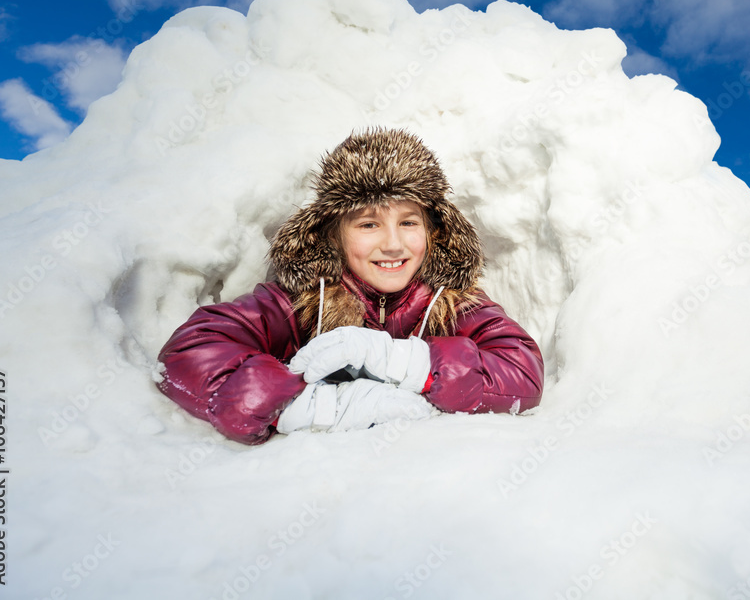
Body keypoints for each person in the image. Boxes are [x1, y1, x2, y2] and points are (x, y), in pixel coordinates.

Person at [157, 127, 544, 445]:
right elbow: (190, 351)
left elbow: (521, 372)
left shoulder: (451, 302)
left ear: (434, 231)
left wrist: (405, 362)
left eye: (409, 222)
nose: (393, 244)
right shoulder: (300, 301)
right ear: (334, 236)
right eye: (368, 224)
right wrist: (302, 405)